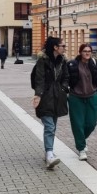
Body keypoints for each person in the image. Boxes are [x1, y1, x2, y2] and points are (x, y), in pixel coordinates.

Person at [33, 36, 69, 169]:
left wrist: (64, 88)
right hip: (45, 96)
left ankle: (49, 152)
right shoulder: (42, 61)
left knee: (52, 126)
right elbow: (39, 79)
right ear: (55, 47)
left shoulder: (63, 61)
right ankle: (49, 155)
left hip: (57, 97)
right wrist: (38, 95)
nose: (65, 48)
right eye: (63, 46)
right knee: (50, 127)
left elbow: (66, 77)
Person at [67, 43, 97, 161]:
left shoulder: (95, 63)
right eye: (85, 51)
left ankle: (81, 140)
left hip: (92, 96)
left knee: (92, 122)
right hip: (76, 97)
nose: (87, 53)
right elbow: (65, 79)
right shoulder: (72, 64)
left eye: (89, 51)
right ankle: (81, 149)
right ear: (80, 52)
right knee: (78, 124)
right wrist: (67, 91)